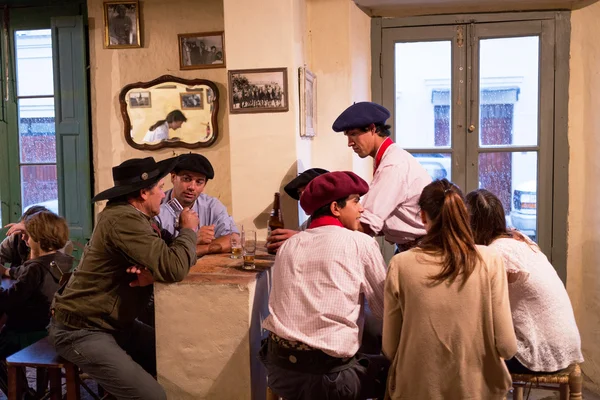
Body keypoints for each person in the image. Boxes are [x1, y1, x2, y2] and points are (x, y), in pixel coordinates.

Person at [49, 157, 199, 400]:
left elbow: (179, 258)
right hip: (81, 329)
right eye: (160, 188)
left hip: (114, 324)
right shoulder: (123, 220)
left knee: (177, 363)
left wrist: (156, 271)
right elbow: (175, 267)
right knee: (151, 397)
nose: (163, 195)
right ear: (143, 193)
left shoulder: (138, 218)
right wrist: (188, 230)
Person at [383, 179, 517, 399]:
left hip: (417, 390)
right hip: (477, 391)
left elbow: (390, 348)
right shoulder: (490, 260)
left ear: (423, 217)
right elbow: (506, 346)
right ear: (463, 214)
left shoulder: (401, 265)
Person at [260, 171, 389, 400]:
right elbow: (385, 309)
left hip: (280, 369)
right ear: (335, 208)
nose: (362, 209)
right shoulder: (360, 243)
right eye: (356, 201)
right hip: (328, 378)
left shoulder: (290, 244)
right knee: (392, 368)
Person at [466, 189, 583, 374]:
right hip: (568, 343)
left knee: (465, 351)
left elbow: (480, 306)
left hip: (541, 351)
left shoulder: (497, 253)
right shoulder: (519, 238)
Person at [332, 101, 431, 251]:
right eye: (347, 136)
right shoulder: (388, 158)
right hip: (412, 245)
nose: (349, 143)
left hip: (422, 248)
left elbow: (366, 225)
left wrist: (315, 237)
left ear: (372, 129)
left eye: (353, 134)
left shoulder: (393, 166)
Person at [0, 210, 73, 396]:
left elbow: (8, 301)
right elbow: (27, 272)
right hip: (49, 327)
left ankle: (23, 394)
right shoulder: (61, 261)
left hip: (27, 333)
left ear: (39, 239)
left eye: (28, 234)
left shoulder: (33, 270)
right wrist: (8, 272)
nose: (24, 238)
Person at [156, 153, 238, 257]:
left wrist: (200, 248)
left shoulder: (212, 206)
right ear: (173, 177)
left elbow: (234, 239)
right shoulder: (156, 207)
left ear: (204, 185)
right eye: (186, 179)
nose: (192, 187)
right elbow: (155, 254)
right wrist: (192, 239)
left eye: (199, 182)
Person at [265, 167, 328, 253]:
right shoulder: (308, 222)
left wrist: (300, 238)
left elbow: (334, 244)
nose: (302, 197)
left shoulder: (340, 218)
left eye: (308, 190)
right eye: (299, 193)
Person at [1, 206, 73, 275]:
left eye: (28, 232)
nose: (23, 237)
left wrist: (7, 271)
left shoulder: (59, 244)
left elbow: (41, 270)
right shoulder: (17, 236)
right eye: (23, 232)